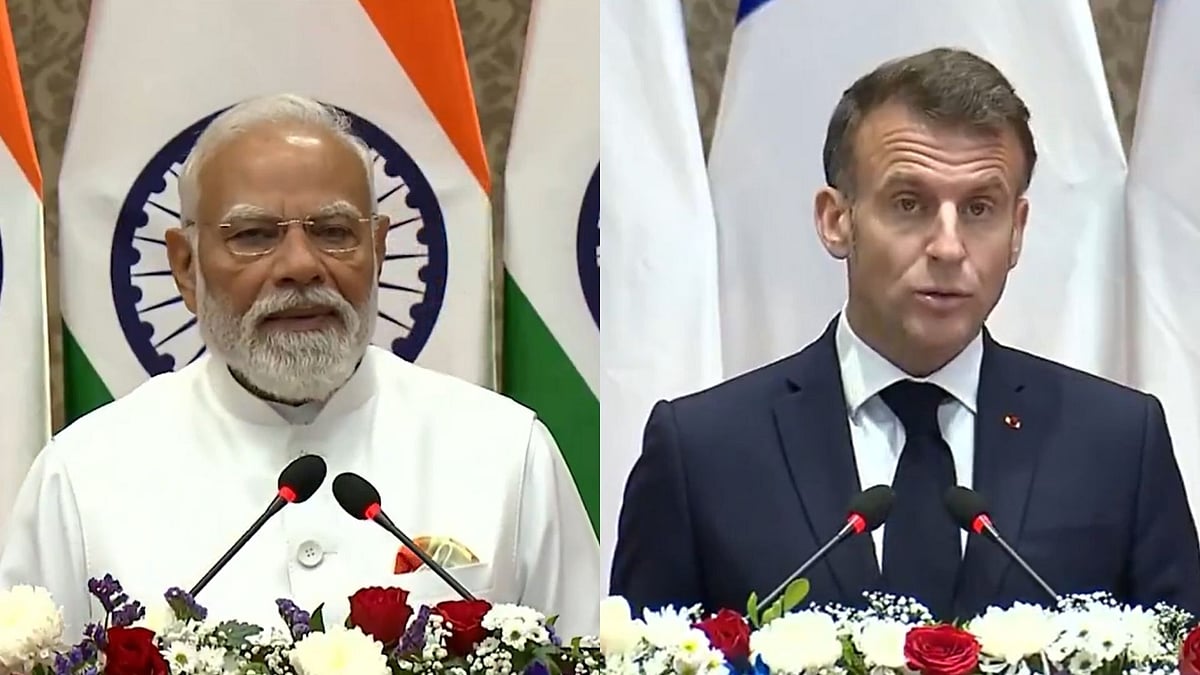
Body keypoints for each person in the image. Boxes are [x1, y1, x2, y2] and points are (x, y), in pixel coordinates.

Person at [609, 47, 1200, 621]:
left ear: (1017, 229)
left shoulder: (1118, 445)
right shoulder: (702, 453)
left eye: (979, 209)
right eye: (909, 203)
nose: (948, 247)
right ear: (837, 220)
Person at [0, 94, 601, 640]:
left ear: (379, 249)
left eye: (334, 232)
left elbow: (585, 649)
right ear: (185, 266)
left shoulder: (505, 450)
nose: (300, 266)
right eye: (253, 235)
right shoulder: (82, 477)